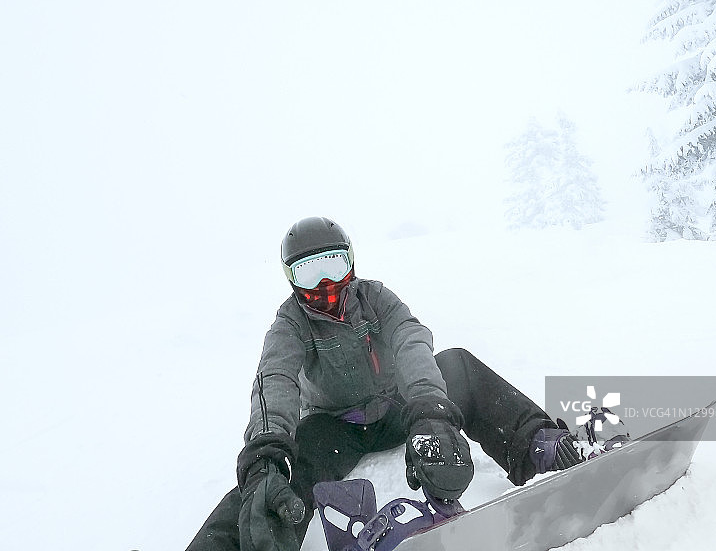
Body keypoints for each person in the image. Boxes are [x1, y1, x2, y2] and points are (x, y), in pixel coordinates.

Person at [186, 217, 582, 551]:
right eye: (308, 271)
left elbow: (411, 339)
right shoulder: (291, 322)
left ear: (351, 262)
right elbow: (275, 378)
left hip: (399, 408)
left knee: (458, 364)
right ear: (290, 278)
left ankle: (539, 444)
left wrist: (430, 410)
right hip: (335, 427)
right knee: (275, 477)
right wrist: (265, 457)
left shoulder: (374, 297)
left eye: (333, 266)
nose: (325, 283)